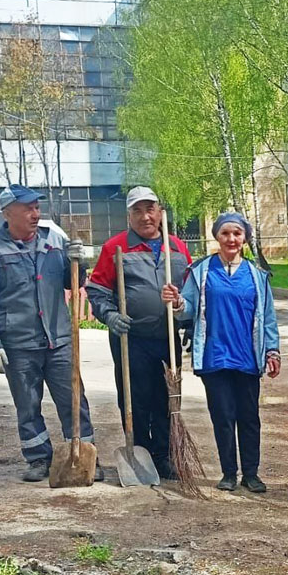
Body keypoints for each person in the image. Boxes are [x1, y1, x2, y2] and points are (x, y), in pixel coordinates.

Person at [0, 184, 102, 482]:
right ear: (8, 213)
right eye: (28, 208)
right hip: (18, 344)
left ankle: (84, 456)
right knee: (28, 405)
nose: (35, 214)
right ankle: (38, 458)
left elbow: (72, 282)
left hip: (58, 339)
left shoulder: (54, 241)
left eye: (37, 207)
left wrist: (78, 263)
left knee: (74, 400)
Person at [161, 212, 280, 492]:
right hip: (215, 356)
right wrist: (177, 302)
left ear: (245, 238)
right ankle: (228, 473)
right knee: (223, 416)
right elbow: (188, 309)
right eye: (225, 233)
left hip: (247, 357)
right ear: (217, 236)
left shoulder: (257, 275)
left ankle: (251, 473)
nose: (231, 239)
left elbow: (268, 317)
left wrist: (272, 351)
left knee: (249, 418)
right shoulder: (202, 271)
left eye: (237, 233)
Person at [86, 186, 191, 480]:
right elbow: (97, 291)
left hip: (167, 337)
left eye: (150, 209)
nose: (145, 217)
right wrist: (110, 315)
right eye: (138, 211)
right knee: (136, 399)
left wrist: (189, 320)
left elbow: (191, 292)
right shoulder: (115, 248)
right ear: (129, 216)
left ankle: (163, 455)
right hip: (130, 339)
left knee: (167, 398)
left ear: (160, 212)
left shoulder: (177, 248)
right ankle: (140, 452)